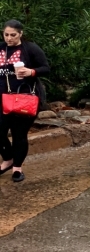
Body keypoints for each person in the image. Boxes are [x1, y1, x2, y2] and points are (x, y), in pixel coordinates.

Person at [0, 19, 50, 182]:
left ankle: (17, 168)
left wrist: (31, 72)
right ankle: (8, 158)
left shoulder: (30, 49)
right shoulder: (1, 48)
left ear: (20, 33)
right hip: (2, 98)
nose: (9, 38)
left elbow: (45, 68)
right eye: (6, 34)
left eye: (13, 35)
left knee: (19, 134)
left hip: (24, 97)